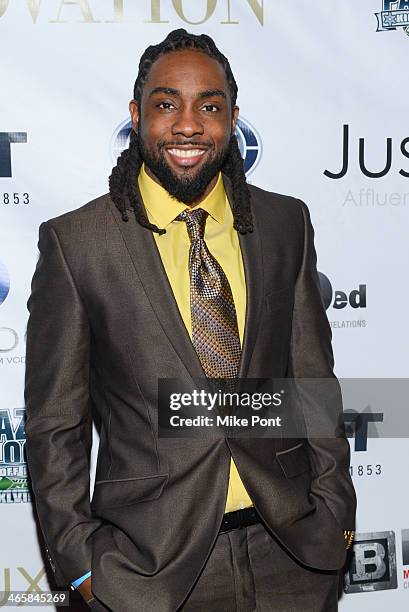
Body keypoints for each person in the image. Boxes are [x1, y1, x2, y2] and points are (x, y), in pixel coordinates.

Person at [24, 29, 356, 612]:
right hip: (147, 571)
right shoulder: (79, 243)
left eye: (209, 105)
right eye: (165, 104)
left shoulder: (284, 224)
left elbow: (312, 385)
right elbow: (56, 425)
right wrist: (79, 564)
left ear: (232, 117)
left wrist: (335, 509)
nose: (187, 125)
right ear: (136, 115)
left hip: (294, 557)